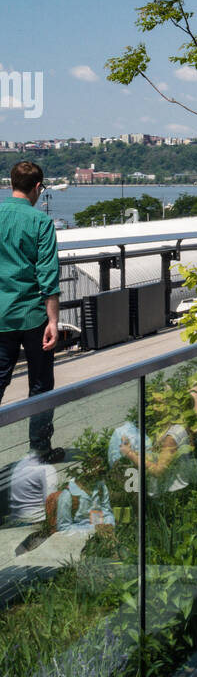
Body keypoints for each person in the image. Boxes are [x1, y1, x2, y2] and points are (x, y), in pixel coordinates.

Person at [0, 160, 63, 461]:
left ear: (10, 184)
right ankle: (40, 449)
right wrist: (54, 321)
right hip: (34, 316)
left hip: (1, 316)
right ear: (38, 187)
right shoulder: (41, 223)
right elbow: (48, 277)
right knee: (40, 384)